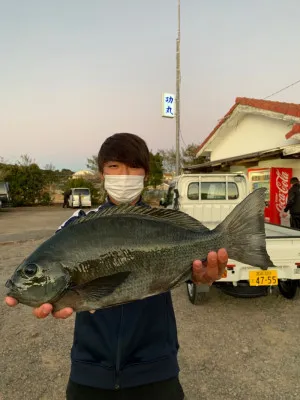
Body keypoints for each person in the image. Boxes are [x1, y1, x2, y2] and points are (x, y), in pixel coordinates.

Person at [5, 133, 228, 400]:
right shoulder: (75, 226)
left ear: (145, 174)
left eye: (134, 166)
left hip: (156, 370)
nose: (124, 174)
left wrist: (202, 278)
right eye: (114, 167)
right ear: (101, 174)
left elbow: (194, 271)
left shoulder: (163, 222)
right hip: (90, 373)